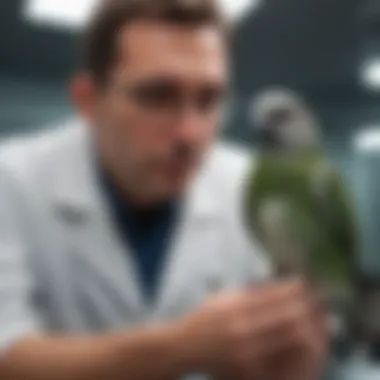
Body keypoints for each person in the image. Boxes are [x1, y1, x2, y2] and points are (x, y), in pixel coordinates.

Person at [0, 1, 327, 379]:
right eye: (157, 96)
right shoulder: (12, 180)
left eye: (209, 100)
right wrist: (182, 346)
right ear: (88, 100)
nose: (190, 133)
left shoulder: (250, 189)